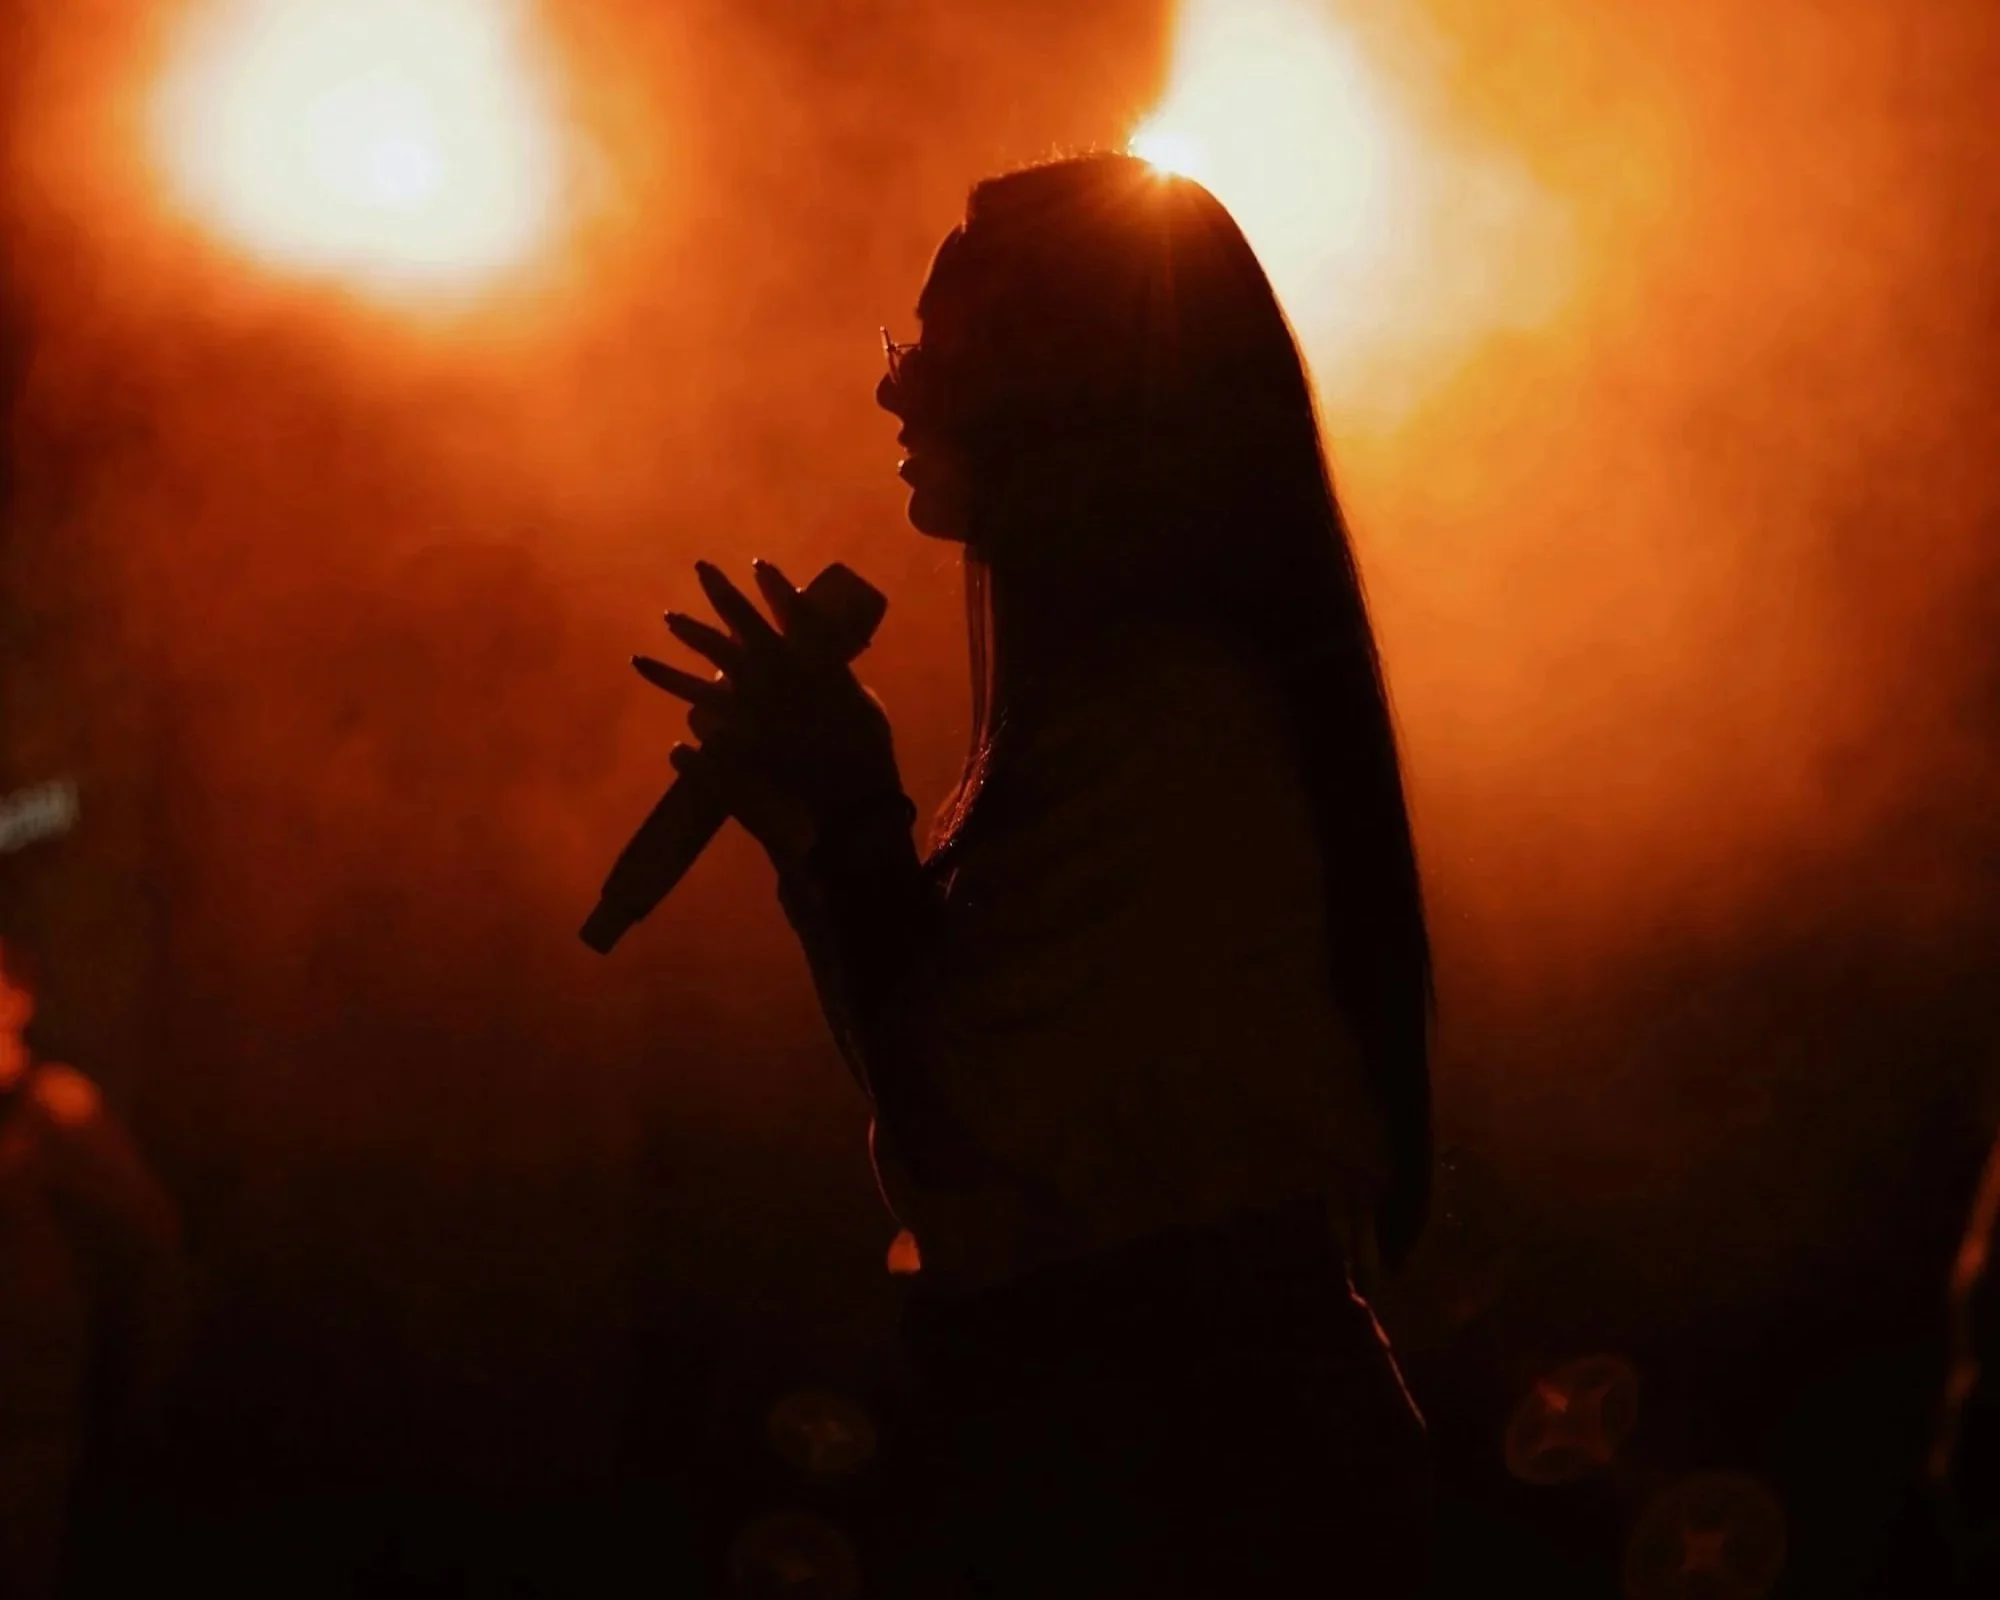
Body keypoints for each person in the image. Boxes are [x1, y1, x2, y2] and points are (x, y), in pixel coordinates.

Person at [634, 151, 1435, 1595]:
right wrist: (812, 826)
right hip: (1151, 1440)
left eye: (940, 345)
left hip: (1199, 1469)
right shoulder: (1122, 705)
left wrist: (848, 813)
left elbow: (962, 1135)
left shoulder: (1162, 721)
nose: (896, 388)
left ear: (1071, 386)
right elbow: (940, 1100)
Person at [0, 940, 184, 1599]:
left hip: (25, 1411)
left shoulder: (57, 1106)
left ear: (17, 1001)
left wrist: (139, 1381)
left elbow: (148, 1237)